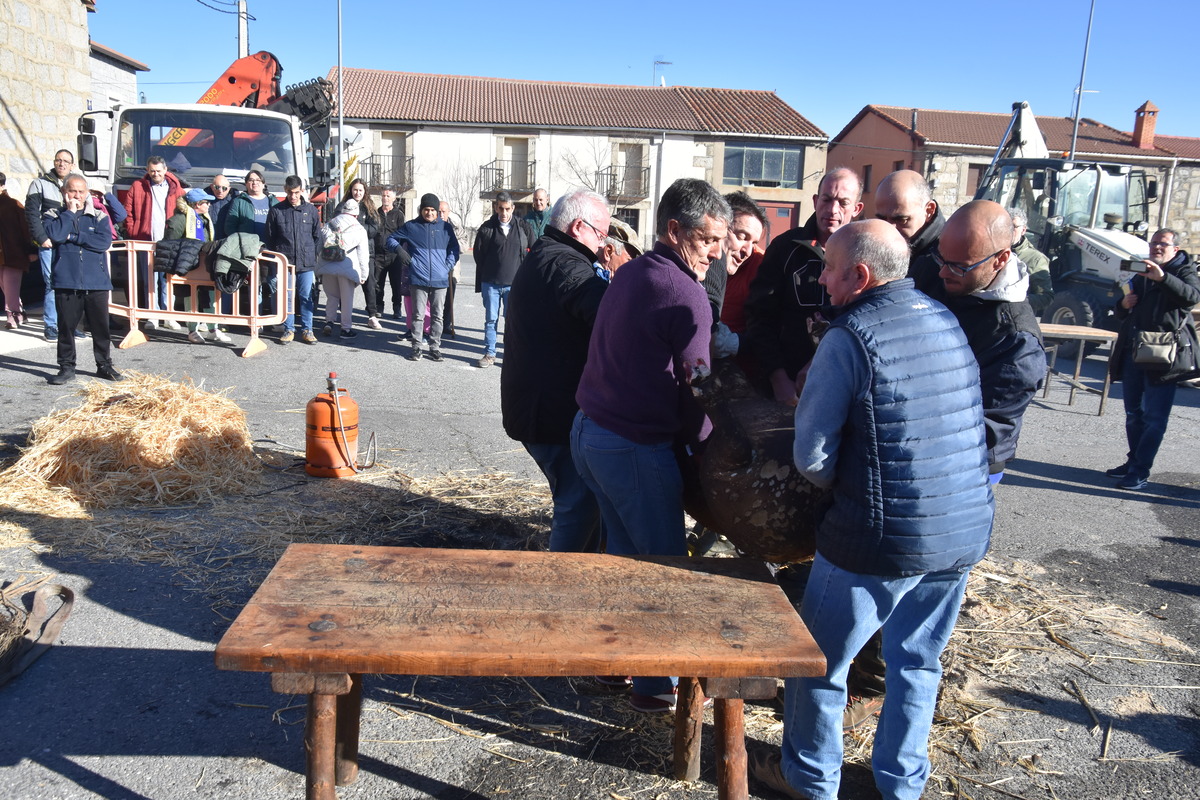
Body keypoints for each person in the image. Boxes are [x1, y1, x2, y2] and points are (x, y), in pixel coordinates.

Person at [751, 219, 993, 800]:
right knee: (917, 663)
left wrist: (851, 487)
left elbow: (811, 454)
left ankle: (809, 779)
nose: (823, 280)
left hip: (879, 535)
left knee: (819, 665)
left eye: (829, 269)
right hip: (960, 528)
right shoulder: (946, 320)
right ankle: (902, 783)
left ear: (859, 276)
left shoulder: (849, 337)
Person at [571, 178, 729, 713]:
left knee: (621, 556)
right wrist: (709, 449)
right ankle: (656, 685)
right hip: (632, 446)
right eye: (708, 239)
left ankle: (616, 662)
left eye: (722, 241)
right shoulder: (686, 294)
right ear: (674, 230)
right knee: (664, 569)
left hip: (590, 433)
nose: (717, 252)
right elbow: (700, 386)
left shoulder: (633, 270)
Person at [501, 189, 611, 554]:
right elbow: (611, 317)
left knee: (581, 500)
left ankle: (581, 567)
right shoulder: (566, 265)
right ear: (579, 227)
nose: (603, 244)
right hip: (549, 412)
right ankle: (562, 579)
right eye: (601, 234)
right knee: (578, 503)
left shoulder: (549, 255)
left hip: (540, 405)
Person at [931, 200, 1045, 483]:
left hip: (969, 468)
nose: (943, 272)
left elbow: (987, 429)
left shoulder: (1018, 342)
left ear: (1001, 259)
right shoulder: (948, 276)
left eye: (958, 266)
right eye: (941, 259)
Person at [744, 167, 864, 405]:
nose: (832, 210)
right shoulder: (785, 248)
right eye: (827, 200)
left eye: (843, 202)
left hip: (846, 388)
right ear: (815, 201)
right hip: (788, 389)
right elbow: (759, 316)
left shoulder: (866, 254)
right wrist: (777, 378)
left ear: (857, 209)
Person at [1106, 228, 1200, 490]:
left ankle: (1140, 470)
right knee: (1133, 413)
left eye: (1163, 244)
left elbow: (1192, 297)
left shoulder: (1183, 270)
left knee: (1155, 417)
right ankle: (1133, 461)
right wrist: (1122, 306)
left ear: (1175, 250)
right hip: (1134, 350)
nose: (1157, 247)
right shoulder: (1141, 269)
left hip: (1163, 353)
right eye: (1154, 243)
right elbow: (1126, 306)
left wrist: (1162, 278)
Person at [42, 175, 124, 384]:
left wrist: (75, 237)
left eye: (81, 191)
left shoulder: (98, 216)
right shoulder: (54, 214)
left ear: (87, 193)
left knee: (101, 328)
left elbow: (103, 242)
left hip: (96, 281)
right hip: (66, 281)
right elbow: (56, 235)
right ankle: (66, 368)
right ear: (64, 192)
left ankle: (104, 365)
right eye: (72, 191)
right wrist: (69, 214)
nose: (77, 195)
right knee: (66, 329)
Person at [386, 193, 459, 361]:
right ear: (421, 210)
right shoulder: (411, 226)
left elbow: (454, 249)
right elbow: (390, 240)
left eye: (433, 210)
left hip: (440, 280)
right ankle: (416, 347)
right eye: (427, 210)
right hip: (418, 278)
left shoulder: (446, 228)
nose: (430, 213)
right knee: (418, 315)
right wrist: (401, 252)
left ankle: (435, 347)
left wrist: (447, 265)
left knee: (437, 316)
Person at [123, 155, 186, 330]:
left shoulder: (176, 189)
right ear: (147, 171)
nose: (155, 174)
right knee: (149, 281)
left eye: (158, 171)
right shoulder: (137, 187)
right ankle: (152, 315)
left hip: (169, 242)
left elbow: (183, 213)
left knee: (168, 281)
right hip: (146, 241)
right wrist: (134, 232)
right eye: (152, 171)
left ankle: (168, 316)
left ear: (165, 170)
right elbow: (128, 212)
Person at [472, 191, 534, 368]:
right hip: (491, 283)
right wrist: (489, 273)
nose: (504, 213)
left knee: (511, 320)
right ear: (495, 208)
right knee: (491, 319)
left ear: (513, 208)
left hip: (514, 285)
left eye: (507, 209)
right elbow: (478, 255)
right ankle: (490, 354)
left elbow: (534, 252)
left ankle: (511, 355)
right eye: (501, 209)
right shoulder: (486, 228)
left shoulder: (523, 227)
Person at [163, 187, 231, 345]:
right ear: (196, 204)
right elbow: (170, 243)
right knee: (190, 299)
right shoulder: (178, 220)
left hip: (205, 266)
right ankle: (192, 330)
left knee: (210, 297)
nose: (209, 205)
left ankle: (213, 329)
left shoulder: (204, 218)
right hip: (188, 267)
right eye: (206, 202)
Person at [707, 192, 767, 362]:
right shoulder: (694, 263)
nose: (747, 250)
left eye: (754, 243)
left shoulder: (761, 267)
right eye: (742, 237)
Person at [265, 176, 322, 345]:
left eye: (296, 192)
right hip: (285, 263)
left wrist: (312, 256)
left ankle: (307, 330)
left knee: (306, 296)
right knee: (287, 297)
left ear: (301, 191)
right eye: (290, 192)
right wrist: (277, 260)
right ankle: (289, 329)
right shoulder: (276, 210)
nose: (293, 196)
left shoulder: (310, 210)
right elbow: (270, 238)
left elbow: (317, 236)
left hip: (306, 263)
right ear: (285, 190)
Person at [25, 150, 75, 340]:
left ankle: (68, 325)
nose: (61, 164)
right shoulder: (39, 184)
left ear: (72, 165)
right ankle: (51, 325)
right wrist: (41, 238)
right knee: (52, 283)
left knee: (70, 285)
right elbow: (31, 214)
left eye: (66, 161)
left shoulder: (75, 184)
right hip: (49, 243)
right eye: (58, 160)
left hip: (69, 243)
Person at [874, 169, 944, 294]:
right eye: (882, 219)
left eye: (902, 220)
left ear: (929, 211)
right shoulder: (874, 247)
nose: (890, 228)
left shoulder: (947, 261)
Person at [226, 170, 278, 321]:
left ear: (263, 183)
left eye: (257, 180)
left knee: (275, 284)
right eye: (250, 180)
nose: (254, 183)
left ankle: (276, 320)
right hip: (249, 251)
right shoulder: (240, 201)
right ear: (246, 184)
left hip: (271, 251)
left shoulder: (272, 201)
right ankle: (257, 321)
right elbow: (230, 226)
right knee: (255, 286)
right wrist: (240, 244)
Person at [315, 198, 370, 339]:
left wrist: (317, 267)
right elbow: (363, 255)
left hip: (327, 265)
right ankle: (345, 329)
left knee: (331, 296)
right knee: (347, 299)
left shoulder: (329, 224)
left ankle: (329, 321)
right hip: (347, 268)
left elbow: (318, 247)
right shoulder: (359, 229)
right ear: (356, 215)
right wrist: (364, 274)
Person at [338, 178, 383, 330]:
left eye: (360, 190)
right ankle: (343, 313)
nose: (357, 193)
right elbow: (336, 224)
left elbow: (374, 227)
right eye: (355, 189)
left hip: (366, 251)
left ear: (365, 192)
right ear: (351, 190)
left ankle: (372, 315)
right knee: (344, 284)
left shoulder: (369, 208)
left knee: (369, 284)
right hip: (346, 253)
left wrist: (357, 231)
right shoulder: (341, 206)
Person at [1, 172, 35, 329]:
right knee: (5, 285)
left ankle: (12, 314)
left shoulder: (13, 204)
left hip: (13, 252)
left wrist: (31, 250)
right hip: (2, 254)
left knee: (10, 284)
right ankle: (19, 311)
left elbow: (25, 229)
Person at [1008, 206, 1053, 316]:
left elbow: (1046, 297)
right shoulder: (991, 252)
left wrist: (1015, 300)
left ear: (1023, 230)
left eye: (1013, 227)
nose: (1009, 230)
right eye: (1006, 226)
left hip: (1018, 318)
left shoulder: (1035, 259)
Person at [375, 186, 407, 320]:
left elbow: (403, 235)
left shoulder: (398, 214)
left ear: (394, 198)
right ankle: (378, 307)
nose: (385, 198)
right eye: (383, 196)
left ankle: (397, 308)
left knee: (396, 284)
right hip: (378, 255)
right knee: (378, 284)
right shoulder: (376, 213)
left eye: (388, 196)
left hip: (394, 257)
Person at [438, 200, 459, 339]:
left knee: (449, 298)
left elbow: (463, 243)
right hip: (437, 268)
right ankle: (434, 324)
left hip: (452, 267)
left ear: (448, 212)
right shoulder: (432, 225)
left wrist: (451, 248)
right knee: (436, 298)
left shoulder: (456, 227)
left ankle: (446, 324)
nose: (440, 214)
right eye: (439, 211)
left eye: (443, 212)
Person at [206, 174, 237, 238]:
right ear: (211, 187)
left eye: (224, 188)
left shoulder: (236, 201)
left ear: (229, 189)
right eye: (217, 187)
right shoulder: (202, 200)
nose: (220, 191)